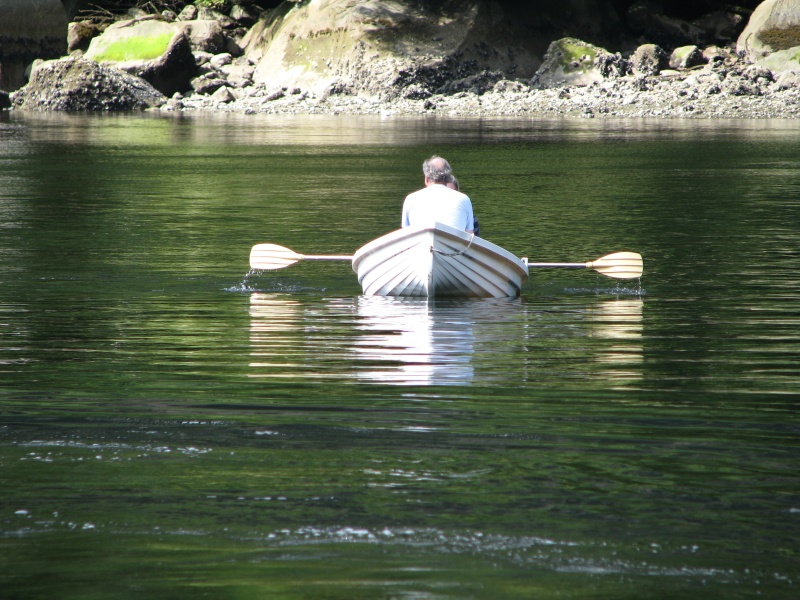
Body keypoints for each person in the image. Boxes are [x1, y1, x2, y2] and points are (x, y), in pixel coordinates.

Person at [401, 156, 474, 234]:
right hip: (454, 245)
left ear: (426, 179)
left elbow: (405, 233)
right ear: (448, 178)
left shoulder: (410, 199)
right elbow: (470, 234)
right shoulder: (464, 199)